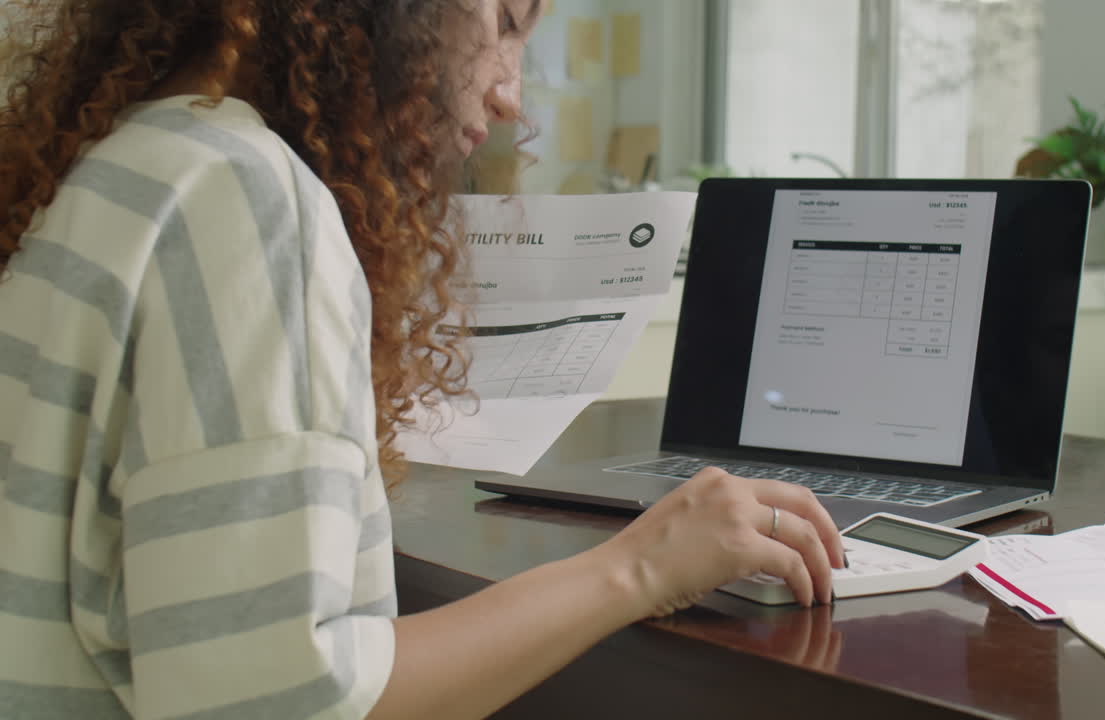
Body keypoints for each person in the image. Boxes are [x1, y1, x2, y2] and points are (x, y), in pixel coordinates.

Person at [0, 1, 845, 717]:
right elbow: (282, 704)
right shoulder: (244, 204)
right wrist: (642, 566)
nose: (511, 93)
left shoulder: (125, 163)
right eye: (506, 22)